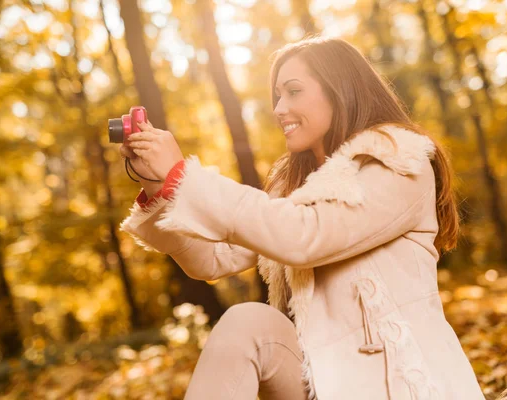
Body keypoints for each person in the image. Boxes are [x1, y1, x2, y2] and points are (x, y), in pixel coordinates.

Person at [118, 36, 486, 400]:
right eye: (278, 95)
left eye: (293, 91)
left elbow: (304, 236)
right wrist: (160, 185)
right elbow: (213, 258)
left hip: (402, 383)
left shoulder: (397, 162)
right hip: (325, 381)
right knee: (247, 324)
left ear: (340, 90)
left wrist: (183, 175)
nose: (279, 108)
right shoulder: (296, 187)